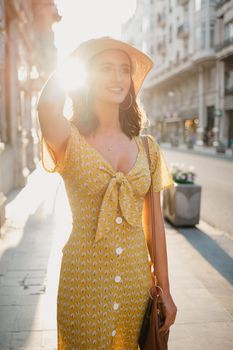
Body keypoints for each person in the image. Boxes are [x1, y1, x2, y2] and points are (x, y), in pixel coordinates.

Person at [37, 36, 177, 350]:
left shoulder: (148, 148)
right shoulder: (68, 139)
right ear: (87, 76)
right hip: (83, 280)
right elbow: (46, 105)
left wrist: (165, 290)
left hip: (135, 282)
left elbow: (154, 226)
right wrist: (76, 58)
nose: (116, 78)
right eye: (104, 68)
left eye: (124, 70)